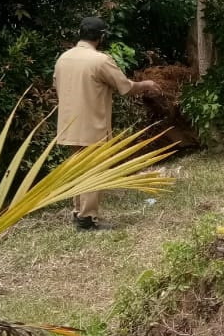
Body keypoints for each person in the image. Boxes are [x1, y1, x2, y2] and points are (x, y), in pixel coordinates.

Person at [53, 16, 158, 230]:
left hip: (68, 123)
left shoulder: (63, 58)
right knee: (94, 170)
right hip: (92, 124)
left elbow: (57, 85)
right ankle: (87, 218)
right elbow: (125, 87)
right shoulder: (99, 60)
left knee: (78, 167)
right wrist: (146, 84)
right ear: (101, 37)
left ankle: (78, 211)